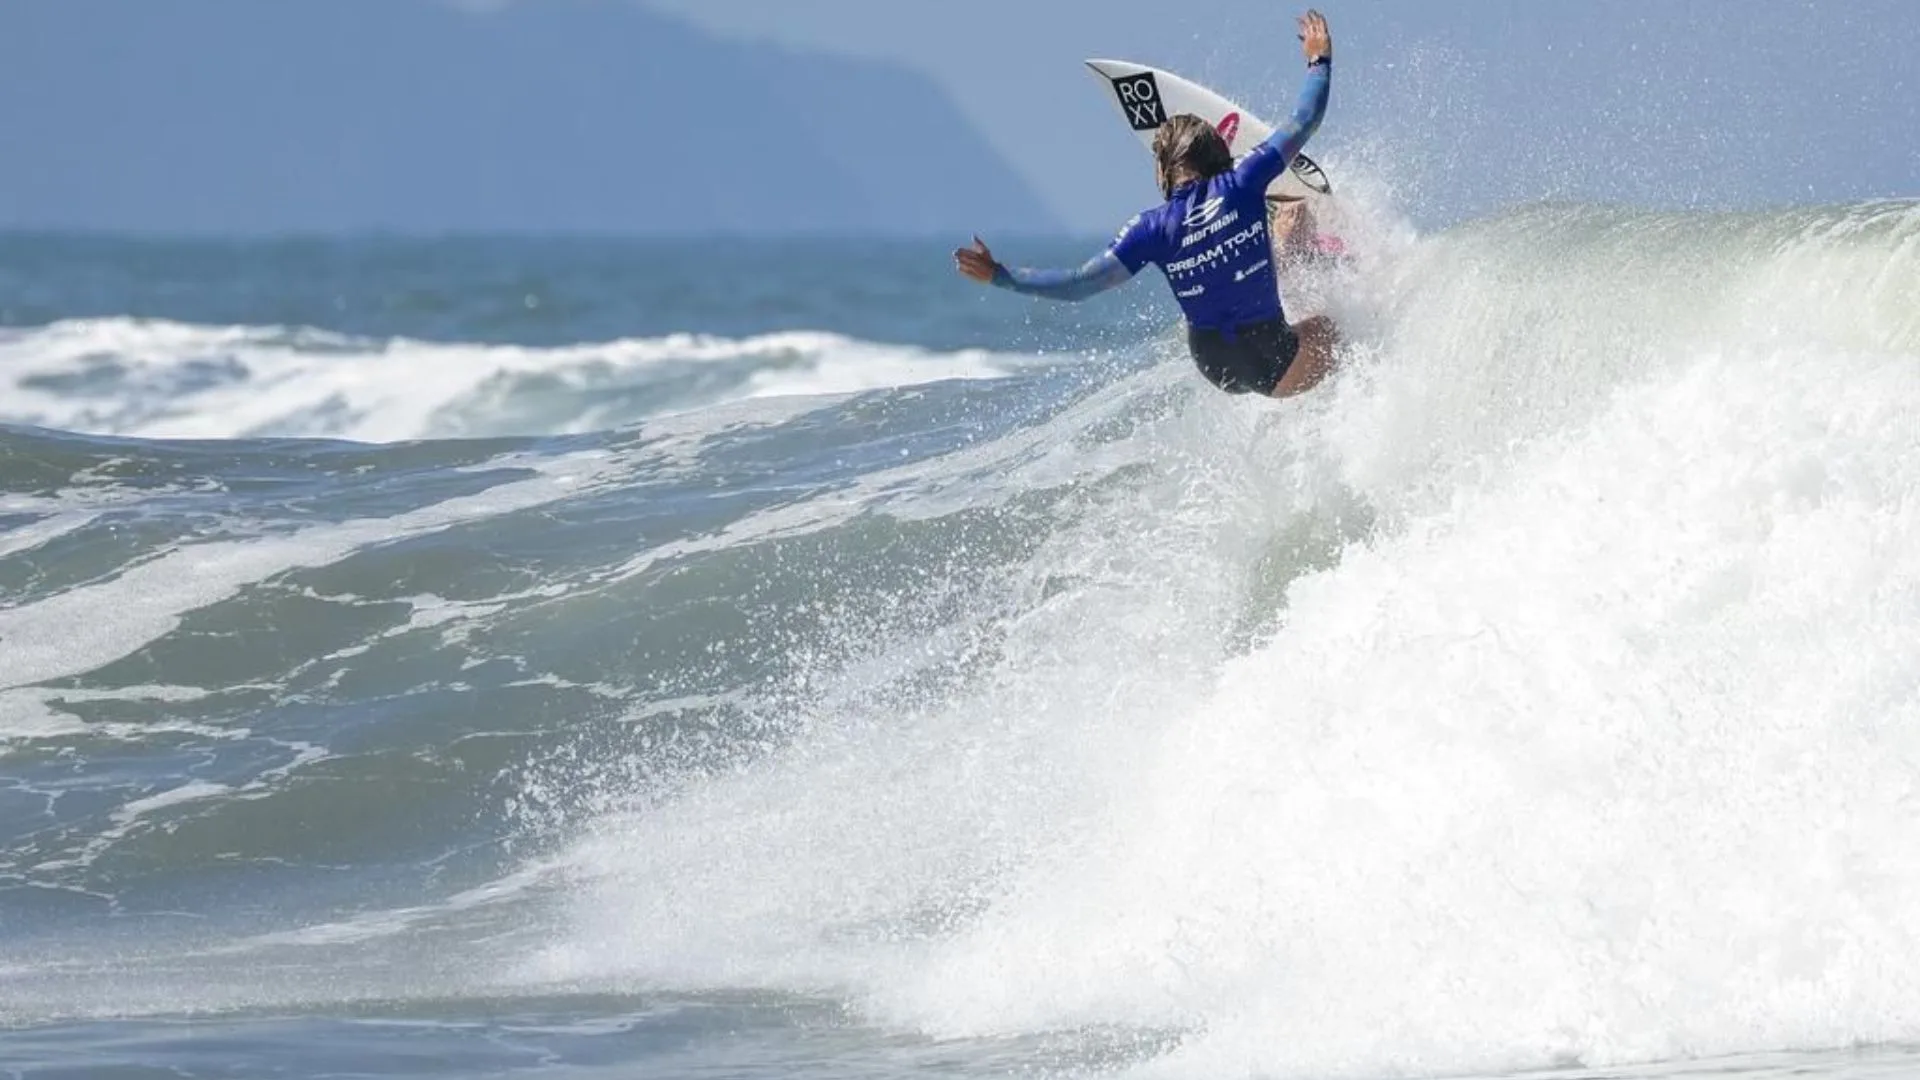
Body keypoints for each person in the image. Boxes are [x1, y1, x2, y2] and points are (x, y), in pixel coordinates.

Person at [956, 10, 1336, 399]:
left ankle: (1282, 236)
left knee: (1230, 265)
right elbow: (1305, 119)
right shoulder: (1245, 180)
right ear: (1218, 156)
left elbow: (1078, 285)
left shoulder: (1150, 228)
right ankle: (1290, 235)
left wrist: (999, 274)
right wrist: (1318, 60)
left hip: (1215, 366)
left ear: (1165, 169)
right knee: (1332, 330)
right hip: (1273, 357)